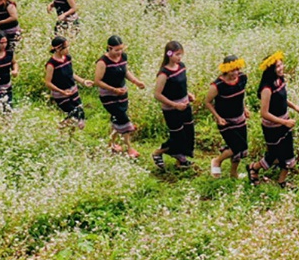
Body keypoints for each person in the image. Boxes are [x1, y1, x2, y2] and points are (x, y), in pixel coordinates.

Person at [249, 51, 299, 186]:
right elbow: (264, 113)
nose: (281, 68)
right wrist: (285, 122)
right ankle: (253, 168)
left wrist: (294, 106)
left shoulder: (280, 80)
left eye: (281, 65)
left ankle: (282, 181)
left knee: (288, 152)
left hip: (285, 122)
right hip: (272, 127)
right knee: (273, 156)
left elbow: (282, 98)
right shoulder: (267, 88)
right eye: (277, 66)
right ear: (271, 70)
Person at [96, 35, 146, 159]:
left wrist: (136, 81)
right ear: (109, 48)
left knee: (117, 119)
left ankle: (111, 144)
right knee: (123, 120)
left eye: (121, 49)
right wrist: (113, 90)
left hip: (122, 93)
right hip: (108, 95)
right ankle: (129, 148)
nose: (119, 52)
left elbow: (125, 71)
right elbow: (97, 81)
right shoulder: (103, 62)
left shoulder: (123, 57)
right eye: (116, 50)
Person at [153, 41, 196, 170]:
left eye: (181, 54)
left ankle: (181, 160)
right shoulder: (164, 74)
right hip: (172, 109)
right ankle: (158, 153)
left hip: (185, 105)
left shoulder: (181, 66)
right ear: (169, 54)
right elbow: (157, 94)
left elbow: (180, 85)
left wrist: (188, 94)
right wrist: (174, 105)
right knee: (177, 136)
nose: (179, 57)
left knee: (188, 132)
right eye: (177, 54)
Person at [206, 55, 250, 178]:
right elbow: (208, 102)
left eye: (237, 69)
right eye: (232, 70)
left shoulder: (242, 78)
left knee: (241, 151)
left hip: (239, 118)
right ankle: (217, 161)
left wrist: (244, 108)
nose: (235, 73)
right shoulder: (217, 85)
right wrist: (218, 117)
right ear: (225, 69)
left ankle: (233, 173)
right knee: (238, 147)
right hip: (226, 121)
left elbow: (240, 95)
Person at [44, 36, 91, 130]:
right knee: (74, 115)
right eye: (65, 47)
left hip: (73, 91)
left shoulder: (67, 58)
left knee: (79, 114)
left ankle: (70, 136)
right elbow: (48, 83)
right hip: (61, 95)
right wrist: (62, 91)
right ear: (58, 49)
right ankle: (59, 129)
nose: (68, 49)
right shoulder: (51, 64)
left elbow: (70, 74)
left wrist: (83, 81)